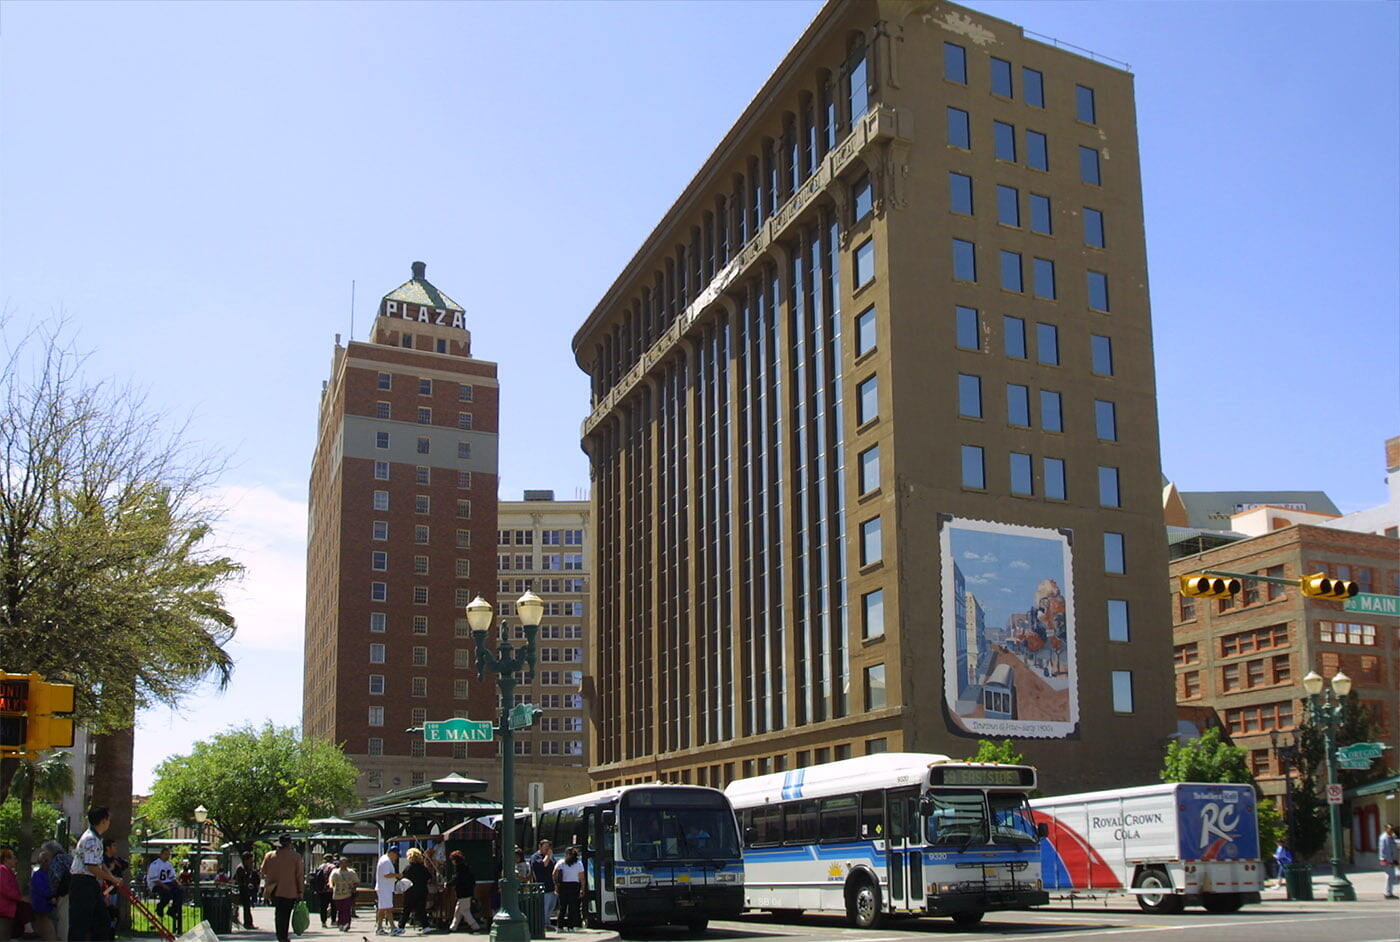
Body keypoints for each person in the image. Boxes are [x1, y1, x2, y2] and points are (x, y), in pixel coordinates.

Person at [69, 807, 123, 942]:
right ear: (103, 820)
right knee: (81, 923)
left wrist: (110, 874)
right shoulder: (91, 839)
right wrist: (112, 878)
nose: (109, 822)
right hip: (83, 882)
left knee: (102, 921)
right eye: (108, 819)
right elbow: (91, 867)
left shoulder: (97, 838)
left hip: (90, 883)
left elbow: (98, 862)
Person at [260, 834, 305, 942]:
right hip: (290, 890)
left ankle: (280, 935)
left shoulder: (269, 855)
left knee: (278, 913)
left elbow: (263, 871)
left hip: (274, 889)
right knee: (286, 913)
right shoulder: (295, 856)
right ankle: (283, 936)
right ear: (289, 844)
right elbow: (299, 875)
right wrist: (300, 891)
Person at [147, 846, 184, 934]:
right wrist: (164, 886)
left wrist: (178, 884)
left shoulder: (169, 864)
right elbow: (154, 879)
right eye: (166, 854)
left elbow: (172, 877)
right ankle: (160, 908)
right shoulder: (155, 864)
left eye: (169, 855)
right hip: (156, 884)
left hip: (167, 883)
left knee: (180, 891)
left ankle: (172, 910)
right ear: (161, 854)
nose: (167, 856)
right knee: (167, 894)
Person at [397, 847, 431, 934]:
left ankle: (401, 927)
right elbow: (429, 878)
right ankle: (425, 926)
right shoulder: (423, 868)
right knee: (421, 909)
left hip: (410, 892)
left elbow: (403, 878)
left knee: (406, 909)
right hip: (422, 890)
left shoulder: (408, 868)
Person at [552, 846, 585, 931]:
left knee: (564, 907)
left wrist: (556, 884)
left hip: (564, 886)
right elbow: (582, 878)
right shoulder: (578, 863)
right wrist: (582, 888)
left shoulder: (561, 862)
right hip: (573, 886)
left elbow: (554, 874)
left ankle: (561, 927)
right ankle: (569, 927)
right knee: (570, 907)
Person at [30, 844, 59, 942]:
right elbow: (41, 889)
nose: (45, 863)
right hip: (42, 906)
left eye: (47, 860)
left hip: (50, 905)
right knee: (47, 929)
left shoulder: (52, 873)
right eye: (42, 861)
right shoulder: (38, 874)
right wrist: (51, 896)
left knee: (50, 929)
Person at [447, 851, 482, 933]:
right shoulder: (466, 868)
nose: (452, 862)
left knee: (464, 911)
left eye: (452, 860)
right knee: (458, 910)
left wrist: (448, 884)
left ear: (455, 860)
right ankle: (453, 927)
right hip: (467, 892)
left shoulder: (459, 869)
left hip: (463, 893)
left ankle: (475, 926)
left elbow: (456, 879)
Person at [46, 840, 72, 942]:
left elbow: (55, 879)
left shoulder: (56, 860)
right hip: (76, 889)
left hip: (64, 892)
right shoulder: (70, 857)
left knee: (63, 918)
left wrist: (53, 895)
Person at [529, 839, 558, 930]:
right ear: (540, 847)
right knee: (544, 907)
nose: (547, 849)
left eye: (548, 847)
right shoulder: (536, 857)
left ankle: (547, 922)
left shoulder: (550, 857)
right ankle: (543, 925)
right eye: (545, 847)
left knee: (551, 906)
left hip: (551, 886)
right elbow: (543, 865)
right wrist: (548, 856)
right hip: (542, 886)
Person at [375, 845, 401, 936]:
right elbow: (386, 874)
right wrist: (397, 875)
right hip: (384, 888)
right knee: (387, 908)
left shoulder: (384, 859)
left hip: (384, 887)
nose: (397, 857)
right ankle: (392, 928)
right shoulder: (386, 861)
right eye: (396, 855)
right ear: (391, 853)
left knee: (383, 908)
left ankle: (380, 928)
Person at [330, 855, 358, 932]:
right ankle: (341, 923)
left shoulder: (351, 872)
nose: (343, 864)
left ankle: (347, 923)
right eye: (342, 862)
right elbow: (331, 881)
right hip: (337, 894)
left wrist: (353, 888)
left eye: (345, 862)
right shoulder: (335, 872)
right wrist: (331, 887)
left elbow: (356, 882)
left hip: (347, 894)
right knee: (340, 910)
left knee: (347, 910)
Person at [233, 851, 260, 928]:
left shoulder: (246, 868)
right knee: (246, 907)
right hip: (242, 890)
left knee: (247, 907)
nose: (251, 862)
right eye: (250, 860)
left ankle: (248, 923)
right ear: (246, 860)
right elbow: (241, 881)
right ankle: (248, 923)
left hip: (246, 891)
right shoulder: (241, 868)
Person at [0, 846, 20, 942]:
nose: (15, 860)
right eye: (13, 858)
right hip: (3, 909)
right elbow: (5, 889)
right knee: (3, 934)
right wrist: (19, 897)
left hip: (7, 909)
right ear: (6, 859)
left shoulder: (8, 871)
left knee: (6, 934)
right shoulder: (2, 870)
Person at [314, 852, 338, 928]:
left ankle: (323, 922)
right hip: (331, 889)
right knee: (333, 905)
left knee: (323, 907)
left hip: (321, 890)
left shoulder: (320, 867)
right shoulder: (333, 867)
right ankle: (333, 921)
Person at [1380, 823, 1399, 900]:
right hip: (1387, 860)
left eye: (1392, 829)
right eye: (1390, 829)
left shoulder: (1391, 837)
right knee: (1389, 876)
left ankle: (1388, 892)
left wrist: (1395, 859)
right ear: (1386, 829)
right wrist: (1384, 859)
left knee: (1391, 876)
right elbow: (1383, 850)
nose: (1392, 830)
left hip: (1392, 859)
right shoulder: (1383, 838)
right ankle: (1388, 893)